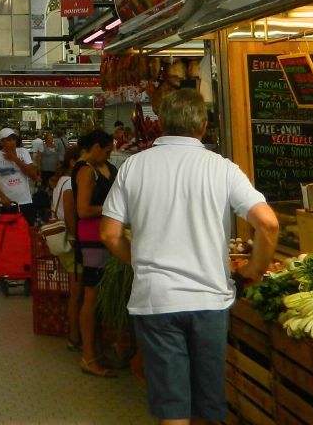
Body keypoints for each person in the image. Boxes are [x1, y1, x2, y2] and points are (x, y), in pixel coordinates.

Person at [99, 89, 279, 425]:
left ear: (162, 123)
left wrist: (141, 264)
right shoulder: (222, 169)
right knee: (208, 407)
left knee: (174, 408)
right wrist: (254, 269)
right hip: (209, 299)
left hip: (156, 301)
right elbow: (267, 224)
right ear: (204, 125)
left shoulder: (134, 167)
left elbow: (109, 234)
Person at [71, 130, 117, 378]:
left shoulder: (105, 167)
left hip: (105, 237)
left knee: (100, 296)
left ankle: (99, 349)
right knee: (92, 296)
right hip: (92, 239)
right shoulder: (86, 170)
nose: (109, 155)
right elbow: (83, 209)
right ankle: (88, 356)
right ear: (96, 147)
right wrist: (114, 208)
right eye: (107, 151)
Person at [52, 145, 85, 350]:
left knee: (77, 292)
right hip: (70, 241)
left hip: (66, 239)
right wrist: (81, 239)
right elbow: (71, 218)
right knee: (77, 293)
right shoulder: (69, 185)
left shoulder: (62, 181)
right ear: (73, 162)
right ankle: (74, 335)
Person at [0, 127, 41, 224]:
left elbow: (33, 175)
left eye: (13, 139)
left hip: (25, 201)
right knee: (10, 234)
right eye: (8, 140)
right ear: (1, 142)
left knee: (27, 232)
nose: (12, 142)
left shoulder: (23, 152)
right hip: (8, 204)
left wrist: (15, 159)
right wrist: (3, 197)